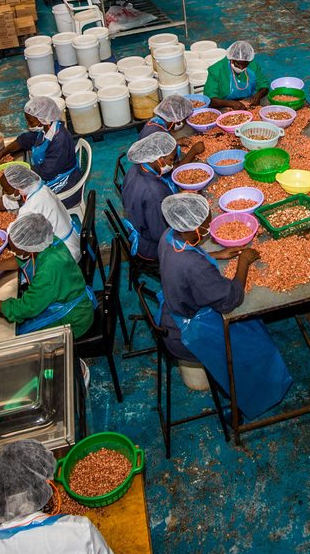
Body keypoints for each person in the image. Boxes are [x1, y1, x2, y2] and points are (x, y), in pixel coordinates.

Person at [156, 192, 292, 418]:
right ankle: (246, 401)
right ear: (193, 228)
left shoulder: (169, 235)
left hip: (172, 313)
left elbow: (188, 257)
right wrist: (244, 262)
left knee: (253, 326)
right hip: (188, 334)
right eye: (206, 225)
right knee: (260, 348)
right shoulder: (196, 269)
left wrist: (217, 254)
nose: (209, 228)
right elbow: (231, 299)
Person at [0, 213, 94, 337]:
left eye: (14, 249)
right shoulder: (48, 241)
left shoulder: (47, 272)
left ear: (27, 249)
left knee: (18, 335)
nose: (13, 252)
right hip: (69, 300)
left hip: (73, 319)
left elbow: (25, 309)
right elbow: (20, 260)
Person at [0, 164, 80, 260]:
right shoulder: (35, 188)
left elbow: (15, 236)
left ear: (18, 189)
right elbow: (3, 202)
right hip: (69, 240)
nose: (4, 193)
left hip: (64, 254)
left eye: (6, 190)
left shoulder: (31, 207)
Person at [0, 97, 81, 206]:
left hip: (64, 185)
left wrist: (11, 167)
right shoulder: (44, 129)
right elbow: (22, 141)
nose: (28, 125)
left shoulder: (60, 140)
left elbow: (46, 172)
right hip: (50, 175)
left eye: (31, 122)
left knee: (21, 199)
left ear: (44, 119)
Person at [121, 131, 179, 269]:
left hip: (140, 222)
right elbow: (160, 235)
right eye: (171, 159)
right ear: (159, 159)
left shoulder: (136, 169)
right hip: (150, 245)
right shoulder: (154, 194)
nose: (172, 163)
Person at [135, 96, 205, 165]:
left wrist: (176, 142)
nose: (185, 122)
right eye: (184, 119)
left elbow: (159, 145)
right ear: (177, 120)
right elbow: (173, 169)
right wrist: (193, 152)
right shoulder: (157, 134)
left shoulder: (156, 122)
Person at [203, 41, 272, 110]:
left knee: (268, 99)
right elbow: (210, 99)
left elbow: (263, 84)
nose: (241, 67)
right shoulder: (216, 70)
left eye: (245, 64)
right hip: (224, 103)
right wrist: (231, 103)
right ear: (231, 59)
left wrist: (258, 96)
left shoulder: (253, 65)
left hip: (248, 99)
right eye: (238, 64)